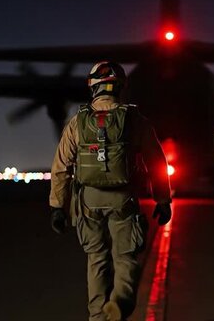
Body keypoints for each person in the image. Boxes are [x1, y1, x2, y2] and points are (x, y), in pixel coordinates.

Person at [49, 61, 172, 321]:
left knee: (96, 260)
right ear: (120, 87)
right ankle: (119, 302)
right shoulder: (134, 120)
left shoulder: (77, 122)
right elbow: (156, 162)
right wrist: (162, 199)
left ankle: (96, 317)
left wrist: (57, 207)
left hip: (88, 202)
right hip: (123, 200)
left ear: (93, 87)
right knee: (126, 258)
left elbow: (61, 166)